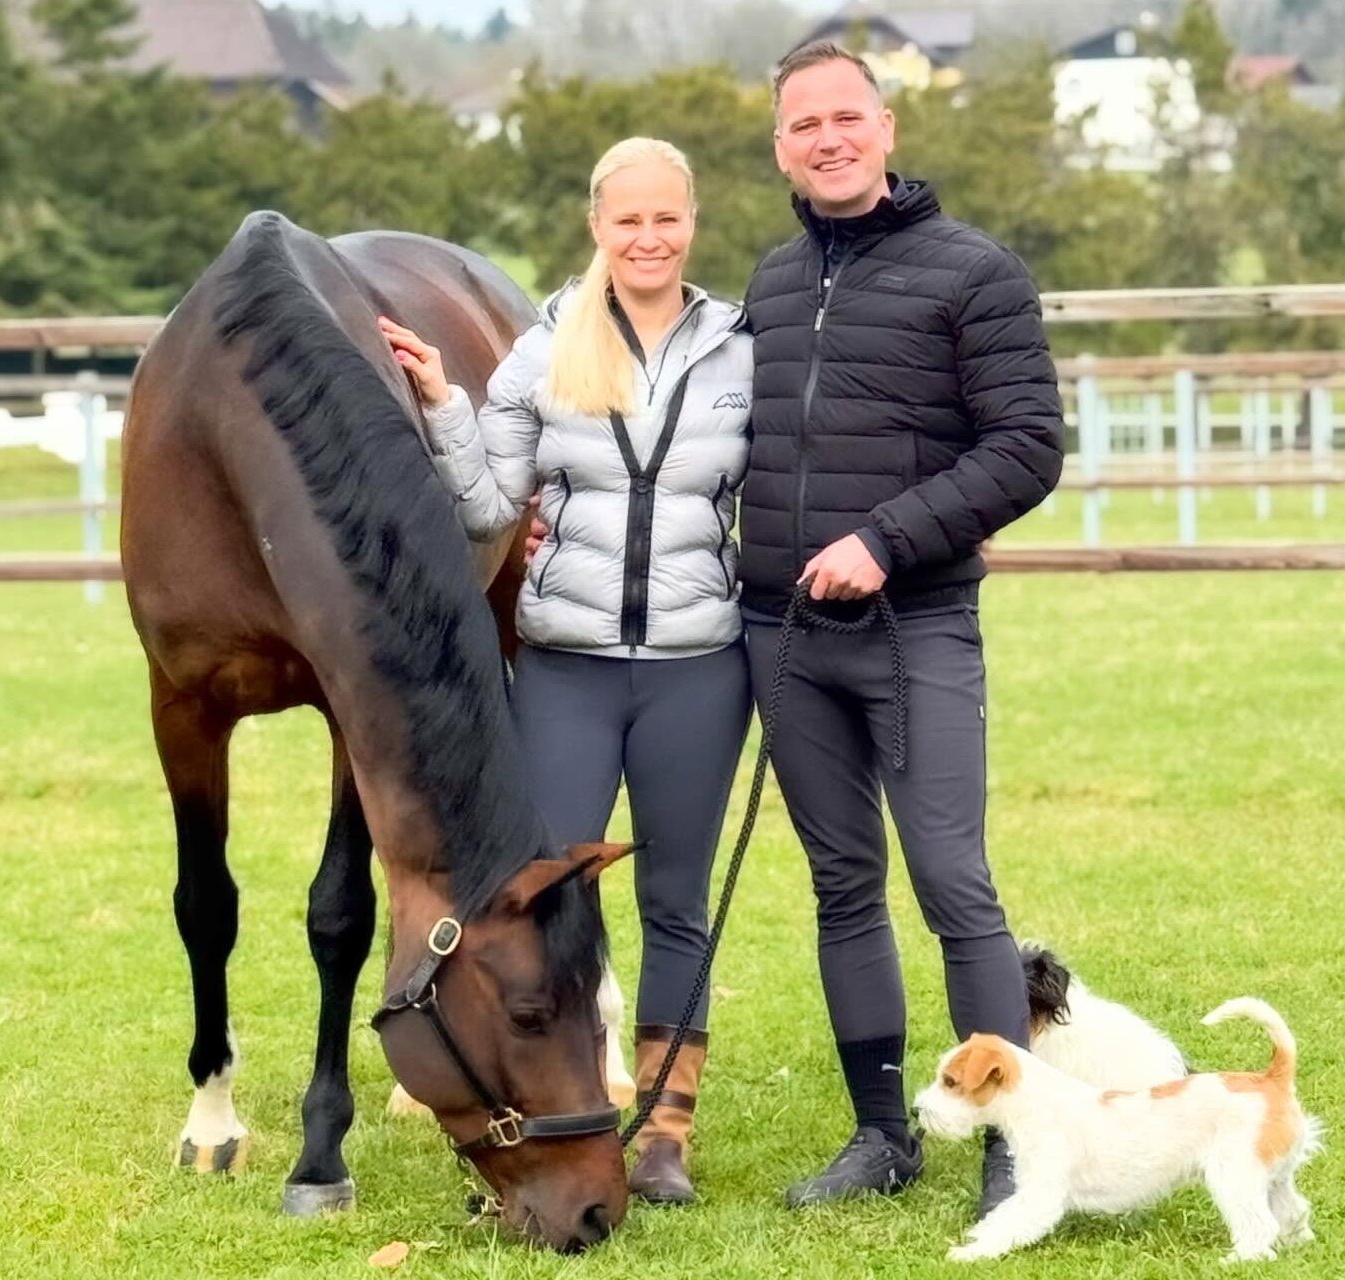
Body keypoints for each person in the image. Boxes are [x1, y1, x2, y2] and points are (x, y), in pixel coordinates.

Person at [380, 136, 753, 1206]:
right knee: (531, 906)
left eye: (666, 218)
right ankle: (534, 1114)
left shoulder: (741, 349)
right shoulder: (544, 347)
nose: (648, 236)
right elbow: (492, 503)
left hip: (698, 669)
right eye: (627, 219)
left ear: (691, 224)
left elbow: (778, 492)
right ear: (598, 226)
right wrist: (448, 404)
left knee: (677, 900)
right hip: (568, 673)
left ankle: (667, 1129)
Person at [739, 42, 1066, 1214]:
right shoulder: (770, 287)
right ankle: (883, 1134)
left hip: (915, 626)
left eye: (845, 118)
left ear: (884, 128)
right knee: (841, 881)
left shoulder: (973, 272)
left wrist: (885, 537)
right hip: (783, 636)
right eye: (801, 124)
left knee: (951, 879)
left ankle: (1015, 1144)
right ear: (780, 144)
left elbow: (1028, 447)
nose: (825, 138)